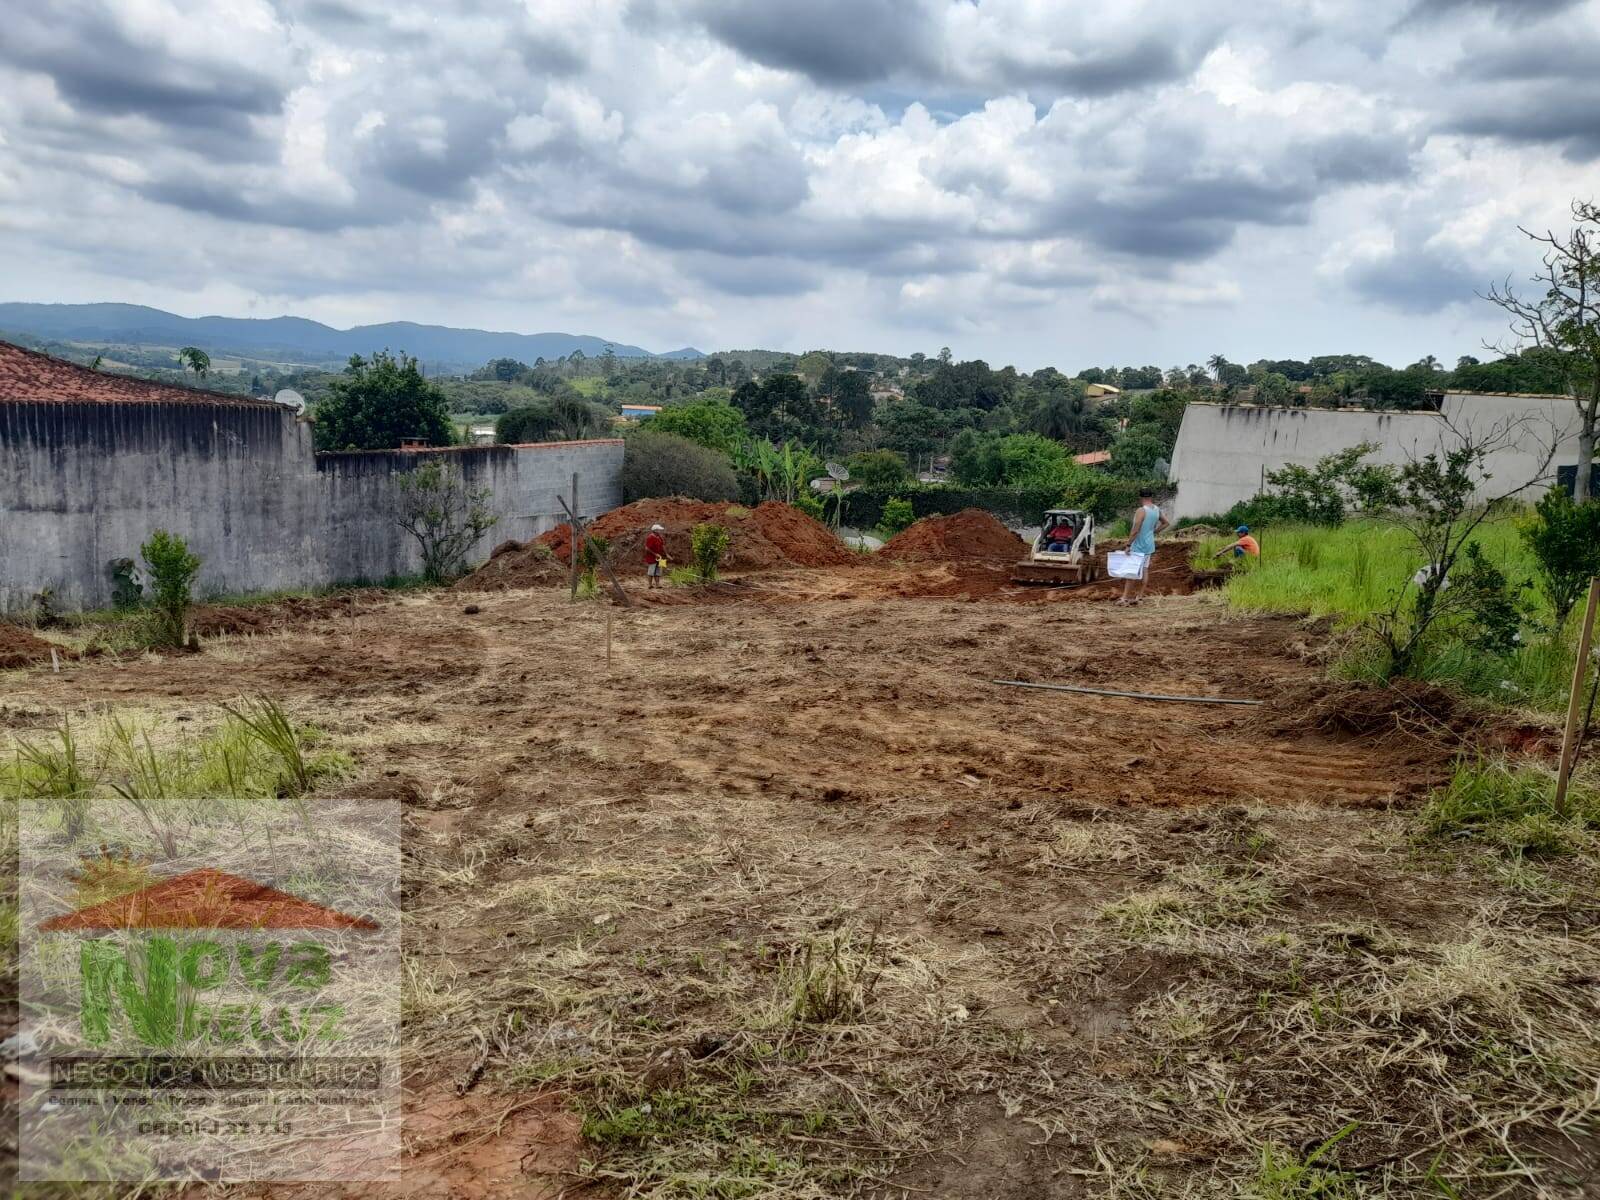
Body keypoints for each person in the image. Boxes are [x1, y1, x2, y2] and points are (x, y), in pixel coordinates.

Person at [1118, 488, 1170, 606]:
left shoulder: (1141, 510)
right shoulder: (1156, 509)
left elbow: (1135, 530)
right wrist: (1154, 532)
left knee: (1131, 572)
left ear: (1140, 498)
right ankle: (1140, 598)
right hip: (1149, 546)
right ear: (1151, 497)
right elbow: (1166, 523)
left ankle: (1124, 598)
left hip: (1138, 546)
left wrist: (1128, 544)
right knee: (1145, 570)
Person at [643, 523, 667, 589]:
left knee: (658, 571)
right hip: (652, 557)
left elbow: (662, 546)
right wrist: (655, 554)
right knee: (651, 571)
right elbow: (647, 548)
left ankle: (657, 584)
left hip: (660, 557)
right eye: (659, 530)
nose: (660, 531)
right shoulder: (650, 537)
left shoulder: (659, 537)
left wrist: (666, 554)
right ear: (656, 530)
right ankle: (650, 585)